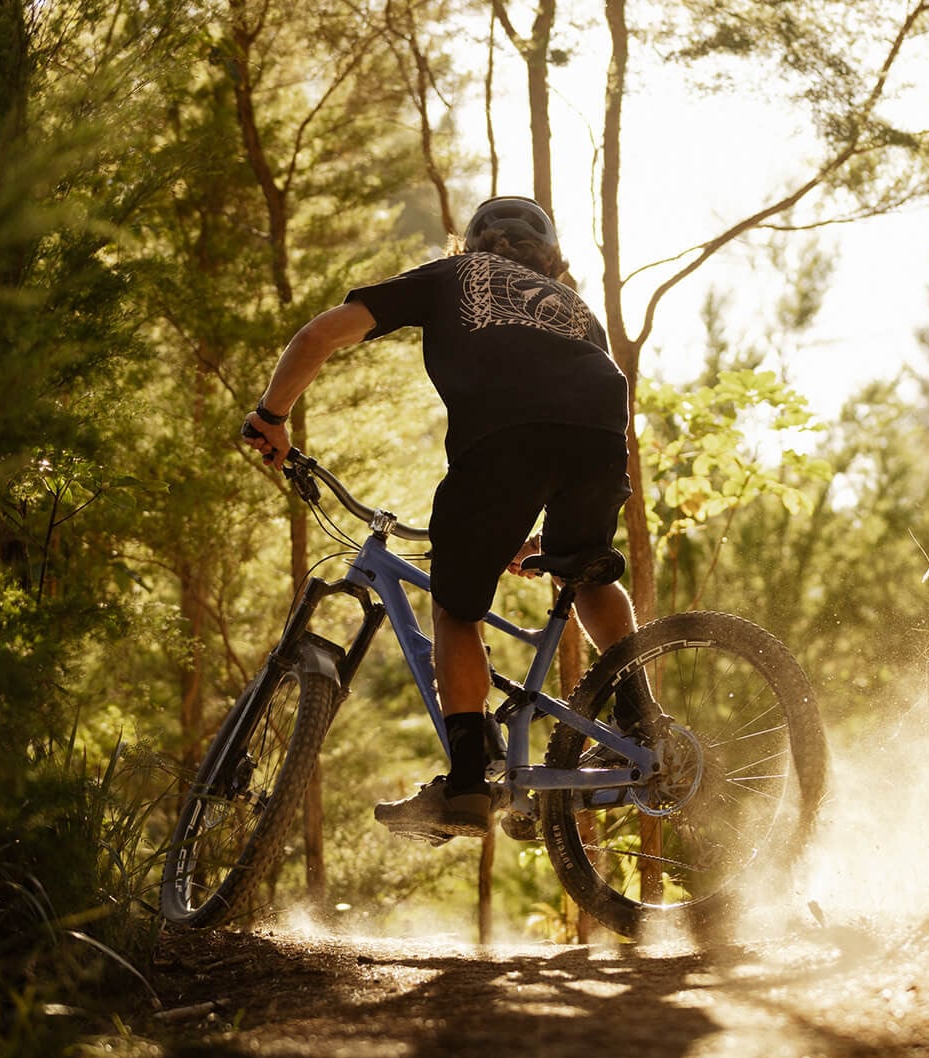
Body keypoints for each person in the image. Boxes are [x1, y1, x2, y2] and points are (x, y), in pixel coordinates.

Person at [241, 196, 640, 842]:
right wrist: (539, 522)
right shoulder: (574, 309)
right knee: (585, 568)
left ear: (471, 244)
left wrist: (272, 418)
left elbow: (319, 336)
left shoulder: (454, 275)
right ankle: (638, 720)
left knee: (457, 607)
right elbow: (587, 403)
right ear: (549, 258)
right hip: (600, 429)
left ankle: (468, 780)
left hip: (505, 442)